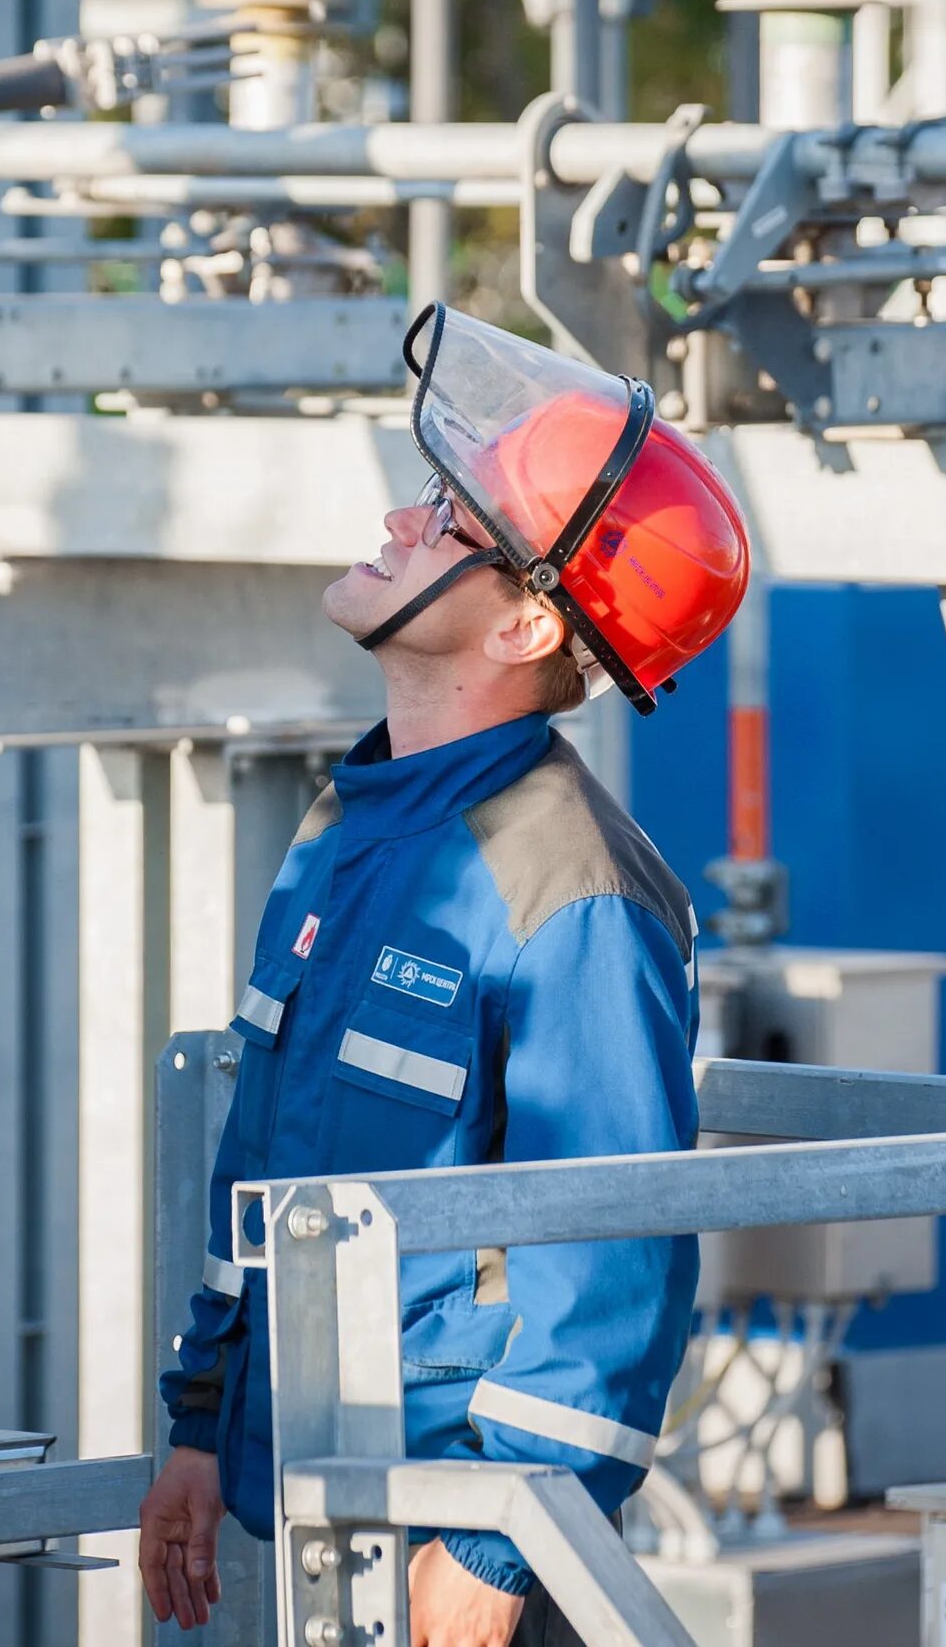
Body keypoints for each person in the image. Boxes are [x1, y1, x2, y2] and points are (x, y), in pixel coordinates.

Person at [137, 306, 752, 1647]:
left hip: (468, 1560)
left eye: (455, 522)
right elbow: (266, 1169)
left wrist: (490, 1555)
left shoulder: (568, 882)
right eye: (431, 494)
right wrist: (200, 1424)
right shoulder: (357, 826)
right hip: (318, 1506)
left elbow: (613, 1261)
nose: (406, 521)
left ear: (533, 624)